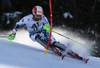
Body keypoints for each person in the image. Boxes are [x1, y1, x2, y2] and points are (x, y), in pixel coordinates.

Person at [9, 6, 89, 63]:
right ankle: (53, 49)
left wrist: (46, 29)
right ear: (33, 14)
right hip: (33, 34)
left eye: (40, 16)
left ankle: (71, 52)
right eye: (37, 16)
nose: (39, 17)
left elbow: (48, 26)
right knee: (38, 37)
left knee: (54, 42)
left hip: (43, 32)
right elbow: (17, 24)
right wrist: (13, 33)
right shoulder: (27, 19)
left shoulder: (43, 17)